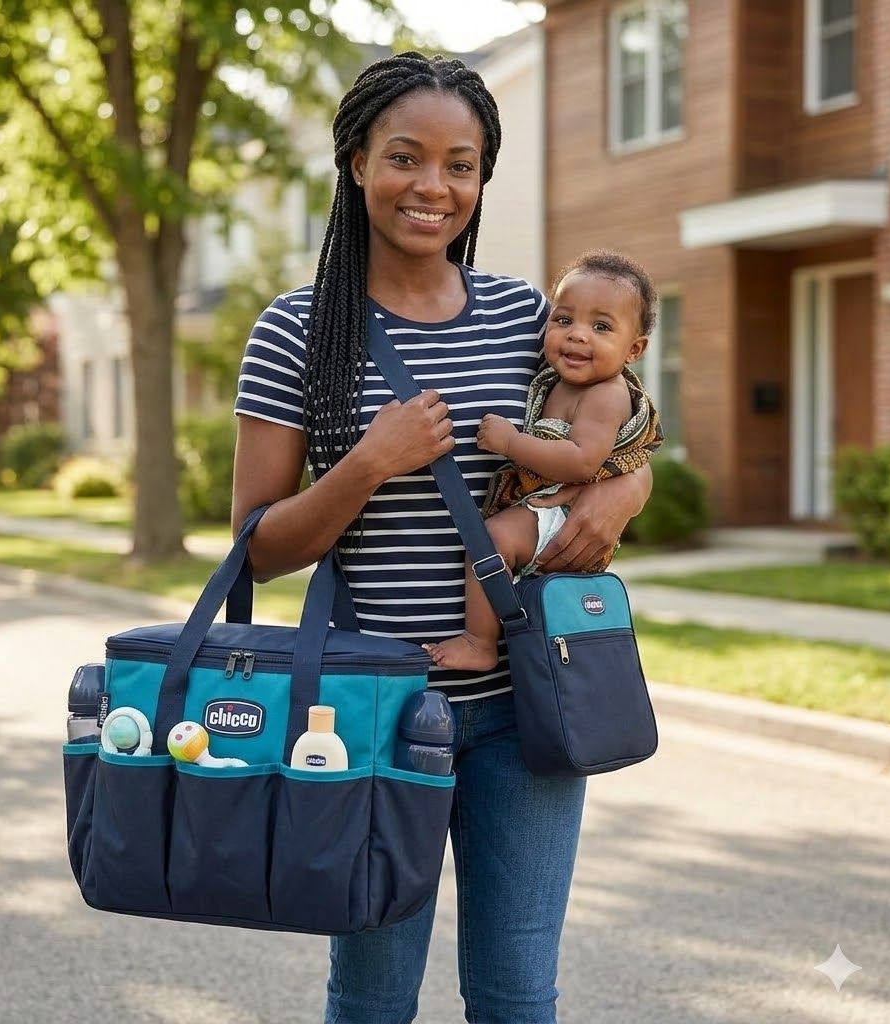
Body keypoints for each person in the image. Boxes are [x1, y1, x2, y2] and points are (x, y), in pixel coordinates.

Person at [231, 52, 653, 1024]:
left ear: (481, 179)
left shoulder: (523, 317)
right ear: (353, 161)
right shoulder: (295, 332)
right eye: (405, 157)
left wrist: (630, 488)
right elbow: (254, 545)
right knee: (373, 998)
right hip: (372, 711)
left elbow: (612, 430)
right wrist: (366, 464)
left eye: (459, 164)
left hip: (527, 707)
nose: (433, 186)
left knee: (515, 996)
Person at [424, 249, 663, 671]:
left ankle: (479, 642)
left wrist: (512, 443)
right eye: (564, 319)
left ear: (634, 349)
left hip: (564, 511)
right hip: (545, 504)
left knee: (492, 540)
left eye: (601, 326)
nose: (577, 335)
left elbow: (583, 462)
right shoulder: (556, 379)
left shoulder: (605, 394)